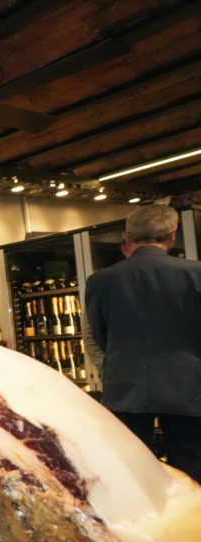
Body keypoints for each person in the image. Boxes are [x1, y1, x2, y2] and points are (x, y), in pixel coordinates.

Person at [85, 205, 201, 483]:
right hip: (189, 387)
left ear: (127, 237)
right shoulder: (196, 273)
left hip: (125, 387)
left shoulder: (100, 281)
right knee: (192, 469)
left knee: (132, 472)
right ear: (172, 235)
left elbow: (98, 335)